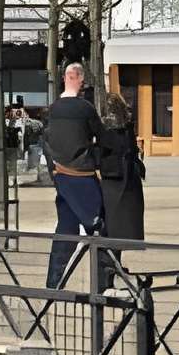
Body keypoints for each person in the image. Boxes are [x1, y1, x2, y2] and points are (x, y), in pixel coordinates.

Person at [41, 64, 106, 286]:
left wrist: (54, 170)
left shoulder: (52, 110)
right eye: (82, 80)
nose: (83, 84)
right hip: (82, 174)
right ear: (77, 78)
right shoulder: (85, 109)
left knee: (66, 227)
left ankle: (53, 282)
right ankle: (104, 281)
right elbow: (101, 136)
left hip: (61, 174)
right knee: (100, 228)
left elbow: (46, 143)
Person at [99, 86, 146, 246]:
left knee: (109, 228)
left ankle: (107, 259)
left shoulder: (105, 130)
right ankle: (114, 256)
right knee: (121, 228)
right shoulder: (127, 128)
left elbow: (101, 153)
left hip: (112, 178)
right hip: (128, 179)